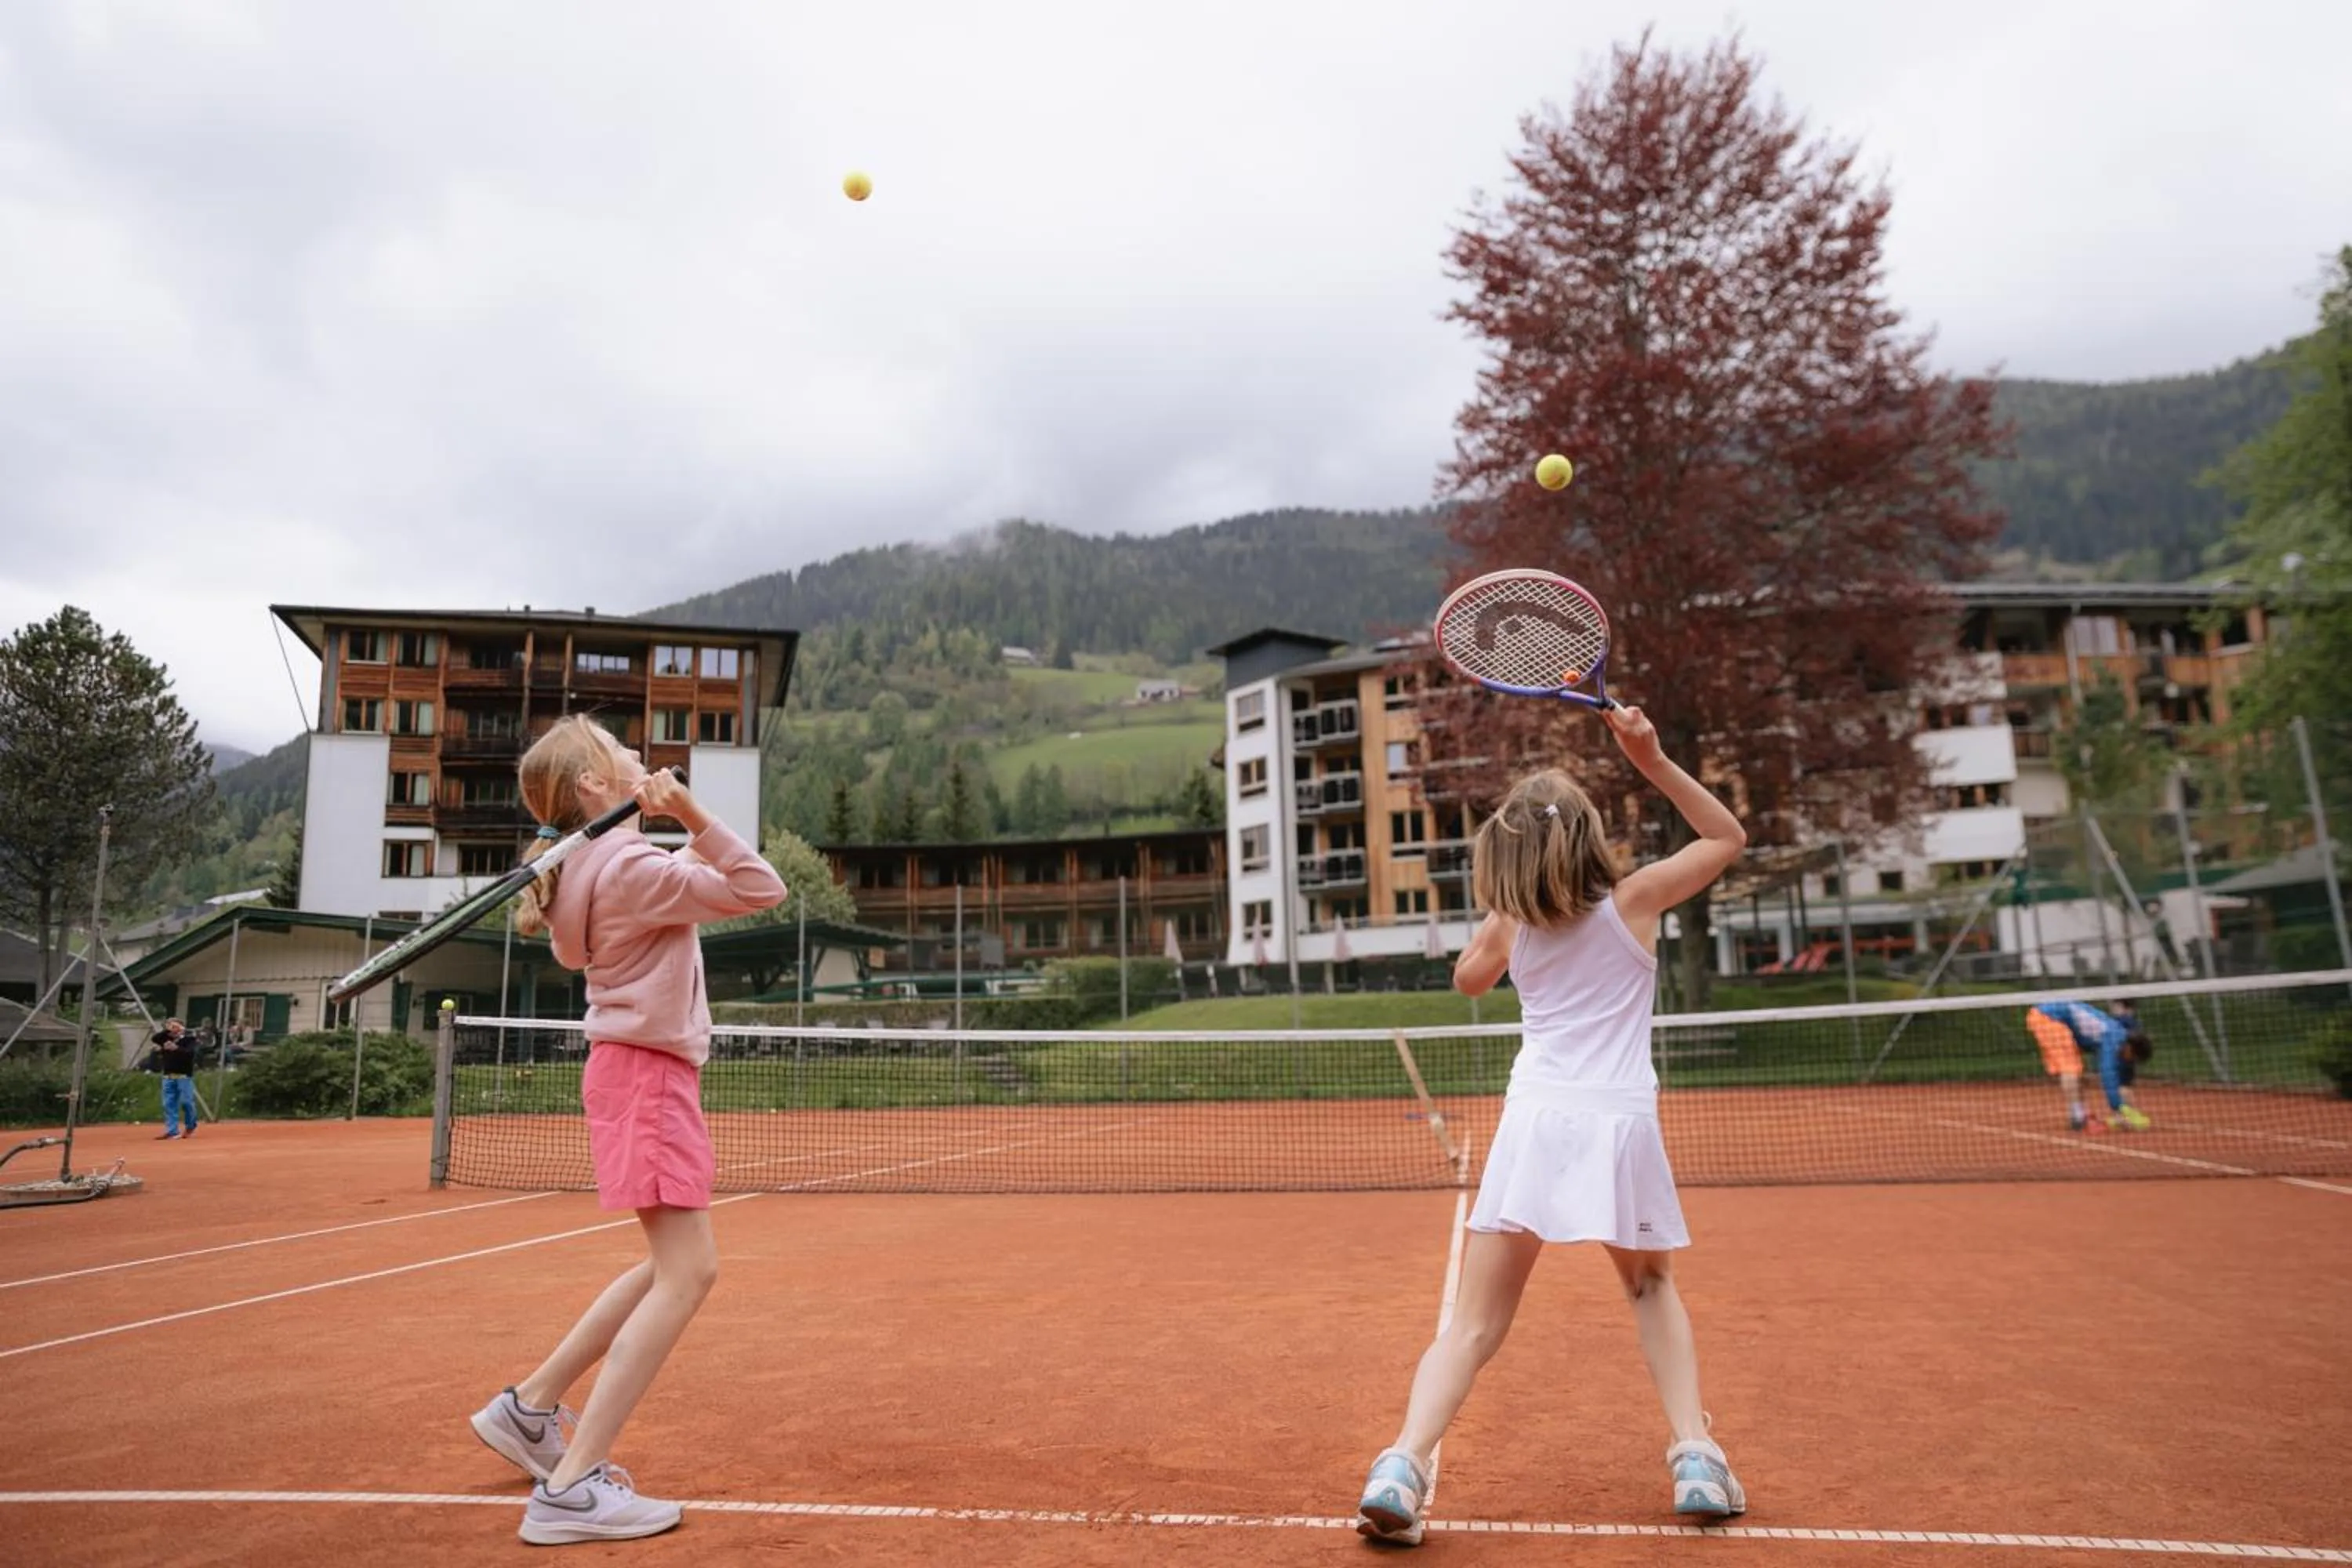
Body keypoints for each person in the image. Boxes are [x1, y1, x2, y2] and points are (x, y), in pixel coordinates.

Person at [1355, 705, 1748, 1544]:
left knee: (1472, 1322)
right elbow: (1724, 838)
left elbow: (1467, 980)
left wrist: (1496, 914)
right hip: (1618, 1123)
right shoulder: (1636, 899)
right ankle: (1696, 1454)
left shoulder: (1511, 924)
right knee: (1649, 1286)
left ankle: (1401, 1463)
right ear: (1587, 837)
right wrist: (1650, 757)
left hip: (1533, 1123)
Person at [466, 716, 786, 1546]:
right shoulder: (631, 868)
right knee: (690, 1271)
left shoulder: (595, 867)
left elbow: (697, 878)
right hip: (648, 1079)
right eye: (628, 756)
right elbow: (762, 886)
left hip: (633, 1073)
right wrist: (692, 812)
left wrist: (680, 827)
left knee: (665, 1265)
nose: (646, 762)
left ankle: (530, 1407)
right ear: (594, 790)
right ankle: (571, 1486)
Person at [2025, 997, 2152, 1132]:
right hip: (2050, 1018)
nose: (2129, 1061)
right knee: (2070, 1068)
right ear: (2130, 1048)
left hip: (2050, 1018)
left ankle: (2078, 1114)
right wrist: (2117, 1110)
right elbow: (2108, 1074)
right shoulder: (2113, 1039)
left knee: (2074, 1068)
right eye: (2133, 1058)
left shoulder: (2116, 1034)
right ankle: (2078, 1117)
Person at [141, 1018, 199, 1139]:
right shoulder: (165, 1038)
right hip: (168, 1076)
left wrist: (176, 1048)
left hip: (184, 1077)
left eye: (175, 1026)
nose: (173, 1029)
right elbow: (155, 1039)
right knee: (169, 1104)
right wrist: (167, 1031)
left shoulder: (189, 1040)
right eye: (170, 1026)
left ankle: (190, 1125)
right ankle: (172, 1131)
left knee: (187, 1103)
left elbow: (190, 1053)